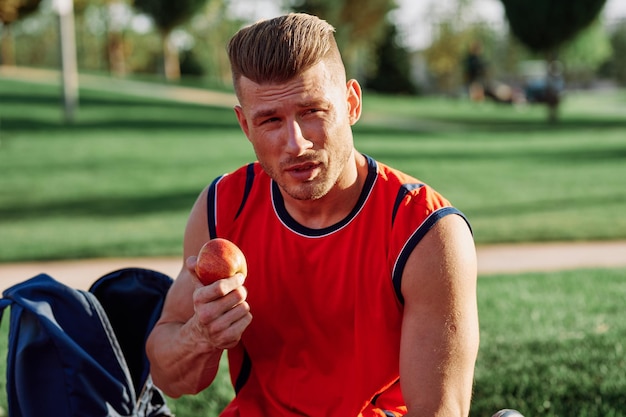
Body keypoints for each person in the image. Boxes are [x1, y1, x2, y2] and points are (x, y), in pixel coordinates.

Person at [146, 13, 479, 417]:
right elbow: (169, 377)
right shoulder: (222, 207)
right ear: (244, 126)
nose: (295, 143)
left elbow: (437, 411)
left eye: (312, 111)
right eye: (270, 120)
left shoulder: (424, 232)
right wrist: (201, 335)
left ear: (352, 103)